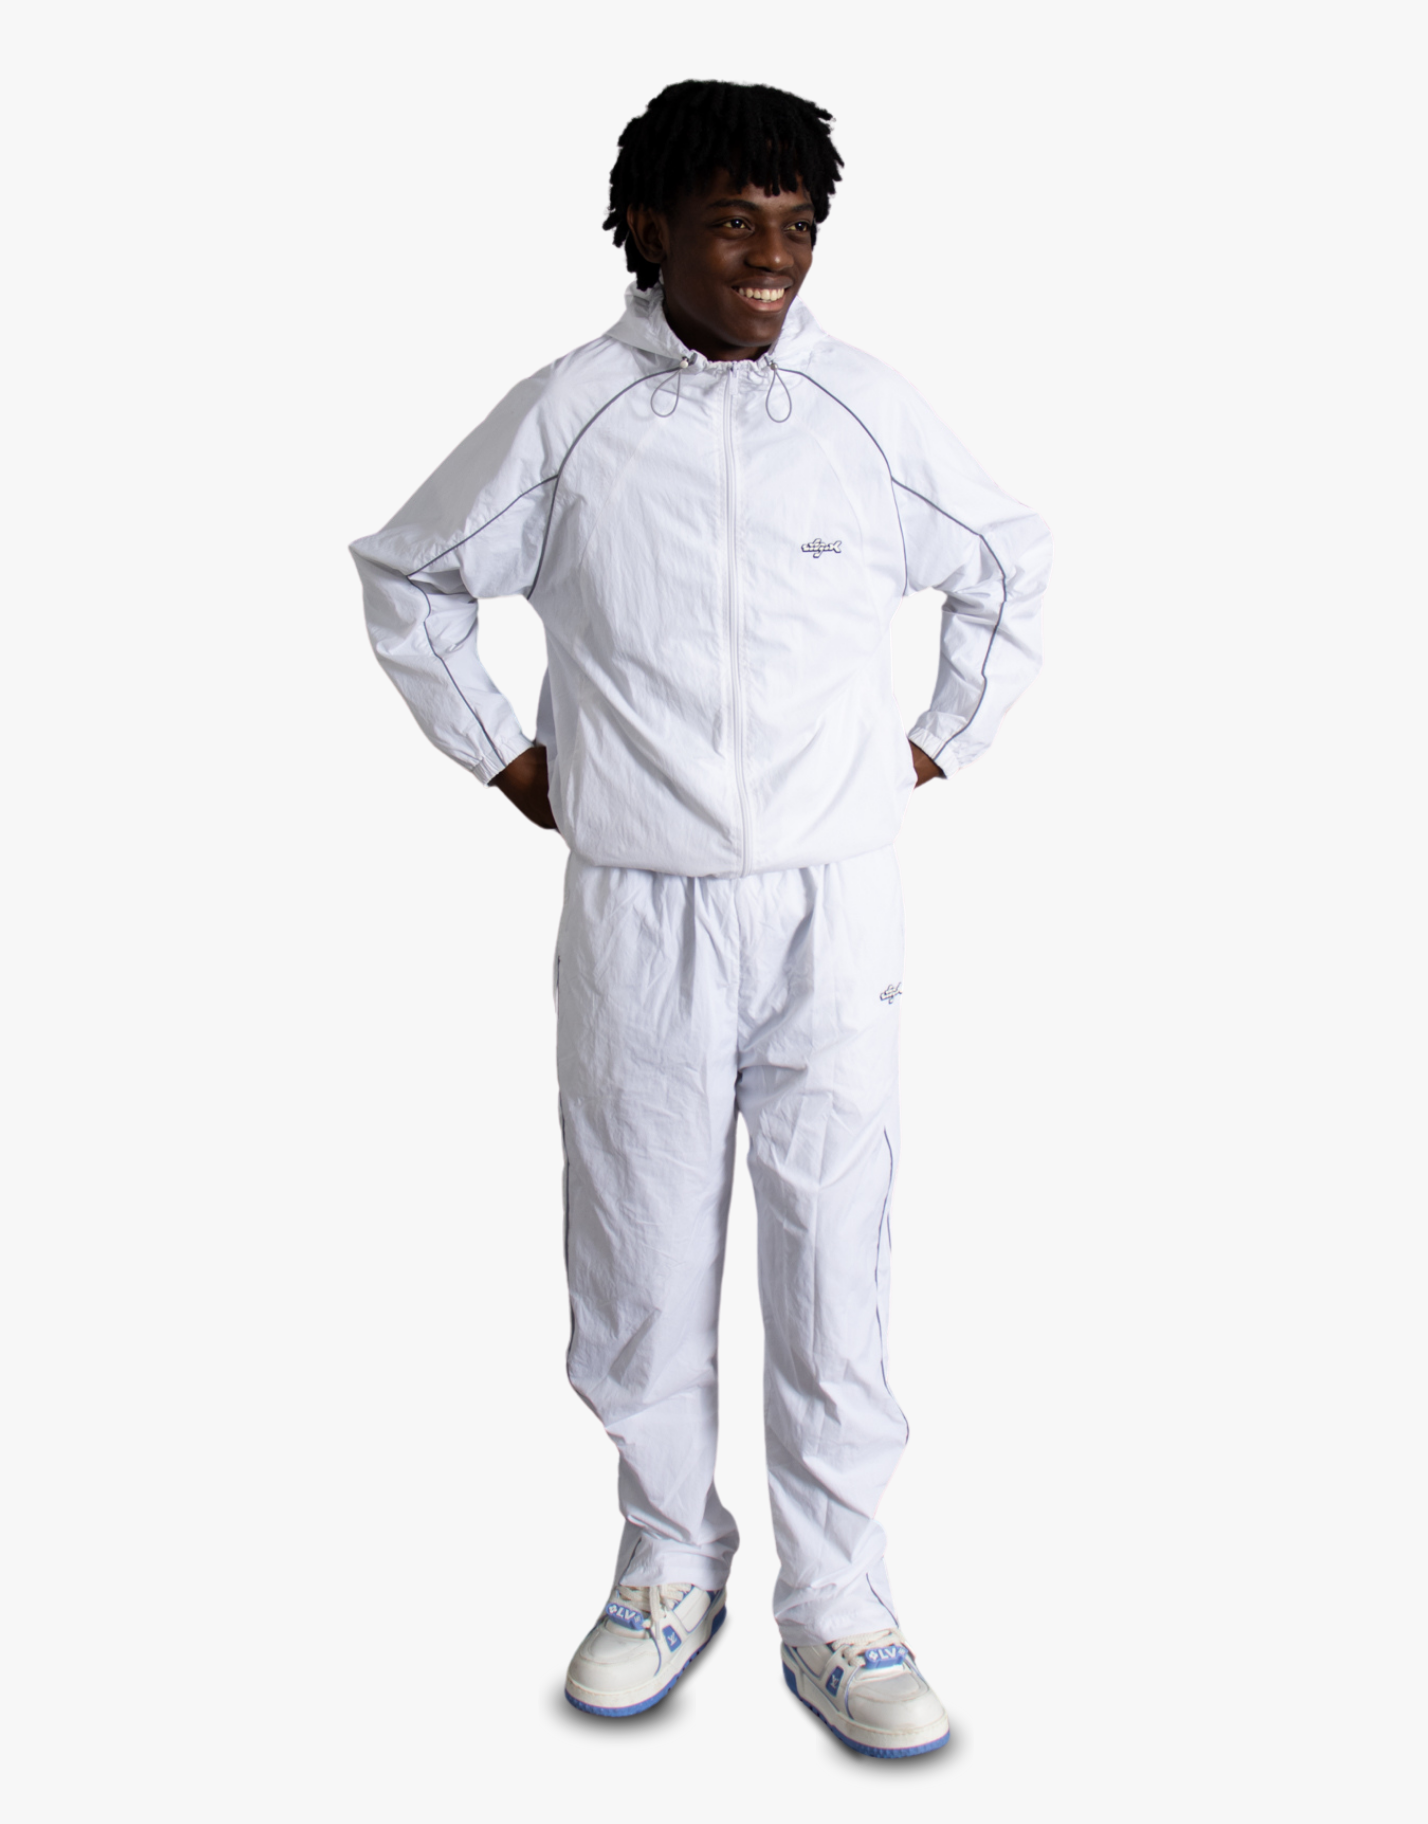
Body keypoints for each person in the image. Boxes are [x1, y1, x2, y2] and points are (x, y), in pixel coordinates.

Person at [351, 79, 1050, 1759]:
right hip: (640, 906)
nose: (770, 261)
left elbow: (1010, 566)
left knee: (833, 1247)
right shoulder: (573, 414)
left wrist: (936, 741)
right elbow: (410, 572)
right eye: (735, 223)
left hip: (833, 909)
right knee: (639, 1249)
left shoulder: (863, 411)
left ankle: (842, 1600)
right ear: (648, 226)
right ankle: (667, 1562)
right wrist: (503, 753)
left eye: (796, 226)